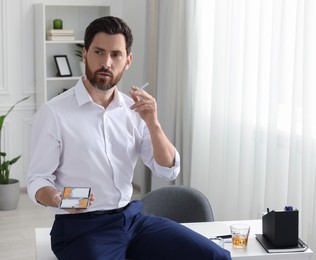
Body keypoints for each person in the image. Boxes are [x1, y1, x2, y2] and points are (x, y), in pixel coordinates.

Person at [27, 16, 231, 260]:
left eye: (116, 55)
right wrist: (59, 199)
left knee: (215, 256)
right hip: (81, 228)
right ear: (85, 54)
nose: (106, 63)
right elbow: (38, 180)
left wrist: (153, 123)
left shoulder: (135, 111)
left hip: (132, 221)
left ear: (128, 60)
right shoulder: (54, 113)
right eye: (99, 52)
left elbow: (168, 170)